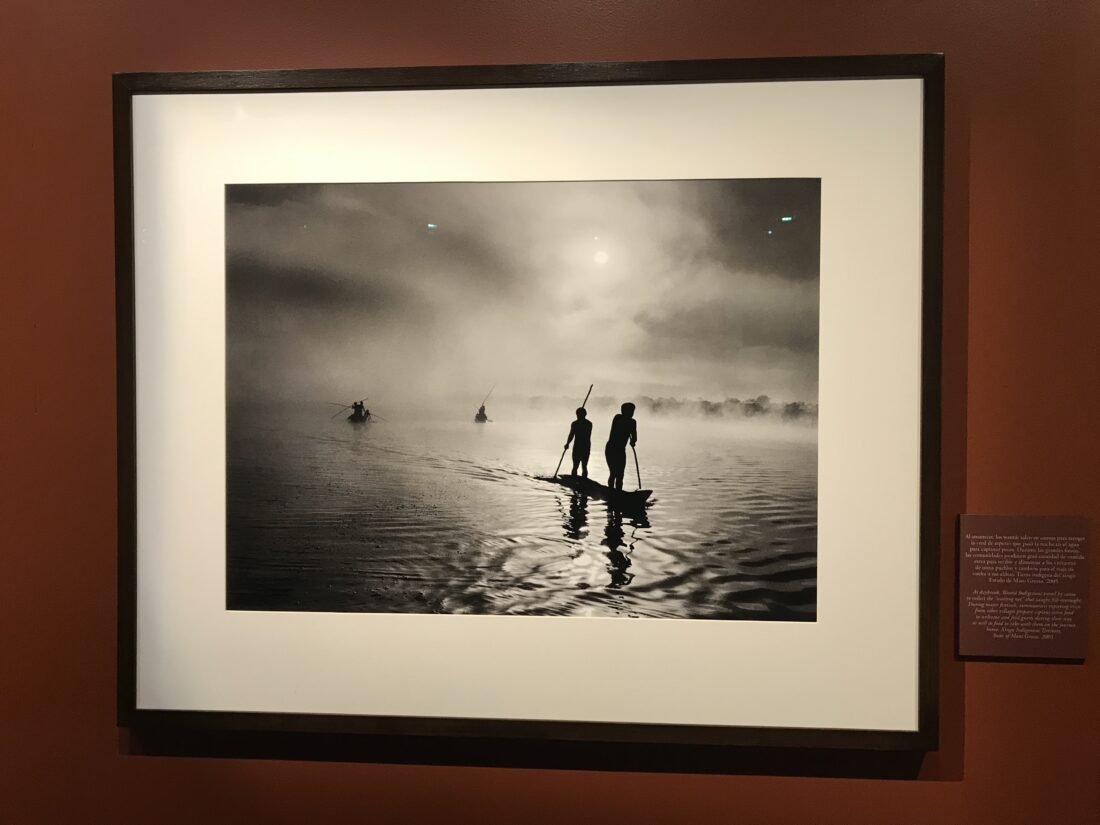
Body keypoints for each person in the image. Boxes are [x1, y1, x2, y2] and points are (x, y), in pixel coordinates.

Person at [604, 402, 637, 490]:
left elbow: (634, 437)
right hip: (611, 448)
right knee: (613, 472)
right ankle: (611, 490)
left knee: (620, 474)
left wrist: (633, 441)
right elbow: (620, 424)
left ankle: (619, 492)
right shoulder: (618, 417)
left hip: (621, 450)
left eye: (633, 411)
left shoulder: (633, 422)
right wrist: (627, 423)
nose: (632, 413)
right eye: (630, 411)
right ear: (623, 411)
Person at [563, 407, 593, 478]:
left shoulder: (589, 424)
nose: (579, 416)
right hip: (576, 447)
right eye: (578, 414)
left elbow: (586, 434)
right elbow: (571, 434)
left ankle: (584, 480)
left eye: (580, 414)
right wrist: (567, 443)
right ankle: (573, 479)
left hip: (585, 447)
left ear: (585, 414)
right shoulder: (574, 424)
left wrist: (580, 424)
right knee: (575, 466)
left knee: (584, 466)